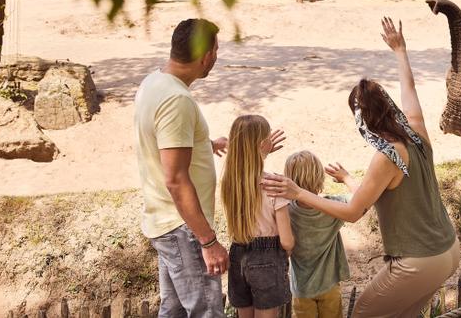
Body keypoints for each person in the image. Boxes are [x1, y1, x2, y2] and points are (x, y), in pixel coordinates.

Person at [264, 17, 460, 318]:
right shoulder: (416, 131)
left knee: (362, 314)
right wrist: (400, 50)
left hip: (418, 261)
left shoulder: (386, 156)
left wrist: (298, 192)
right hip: (449, 252)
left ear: (363, 122)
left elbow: (354, 212)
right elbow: (409, 90)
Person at [134, 19, 284, 317]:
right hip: (184, 226)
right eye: (215, 50)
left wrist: (206, 144)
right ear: (206, 56)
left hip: (165, 219)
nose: (216, 57)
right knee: (206, 310)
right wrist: (208, 240)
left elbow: (162, 142)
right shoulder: (177, 100)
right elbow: (176, 179)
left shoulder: (154, 82)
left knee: (174, 310)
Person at [222, 115, 295, 318]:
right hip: (268, 256)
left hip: (237, 255)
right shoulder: (273, 184)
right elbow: (287, 240)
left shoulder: (230, 182)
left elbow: (246, 165)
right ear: (264, 144)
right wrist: (285, 252)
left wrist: (261, 152)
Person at [284, 151, 351, 318]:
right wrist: (346, 178)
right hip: (329, 286)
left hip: (302, 290)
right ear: (319, 177)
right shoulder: (333, 207)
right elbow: (361, 199)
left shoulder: (285, 210)